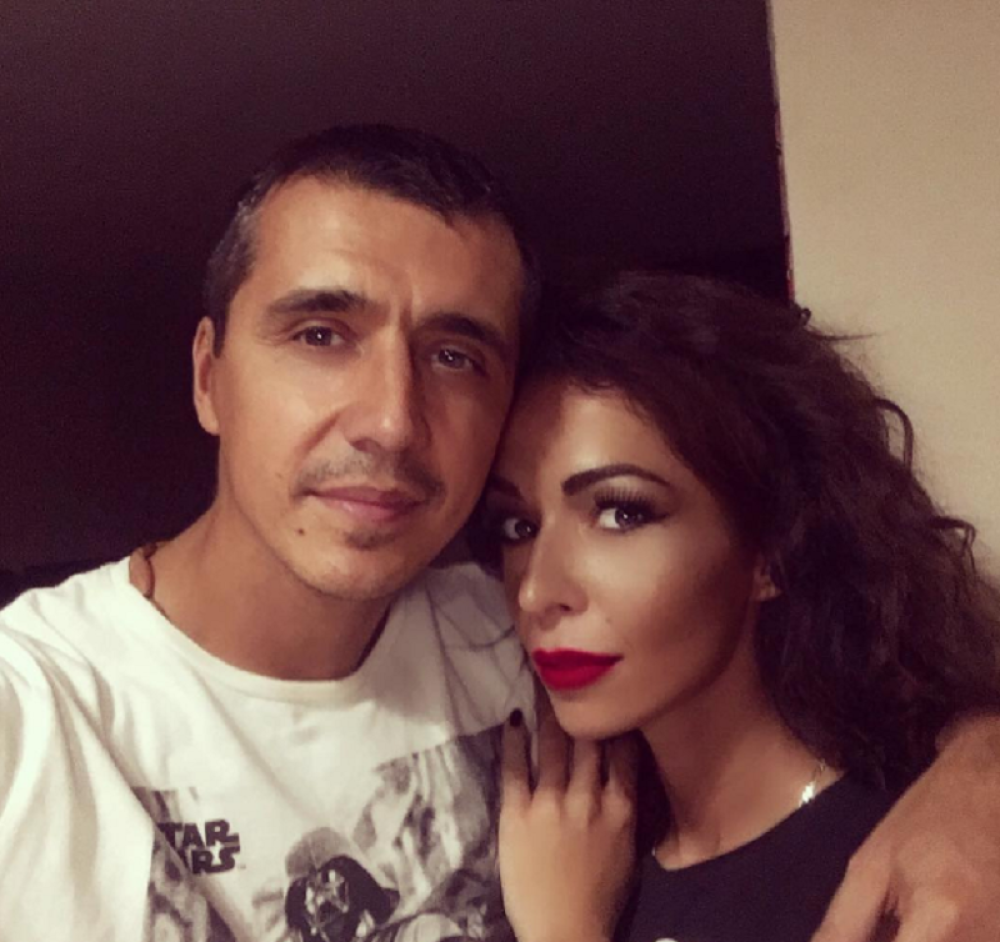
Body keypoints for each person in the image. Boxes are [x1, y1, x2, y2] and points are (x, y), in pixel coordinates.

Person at [1, 127, 1000, 942]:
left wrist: (976, 781)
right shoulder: (31, 714)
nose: (391, 421)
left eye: (454, 355)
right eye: (320, 335)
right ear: (209, 376)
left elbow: (869, 680)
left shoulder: (516, 637)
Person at [488, 272, 1000, 942]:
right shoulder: (563, 858)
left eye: (621, 513)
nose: (536, 591)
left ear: (770, 551)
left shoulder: (921, 877)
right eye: (519, 527)